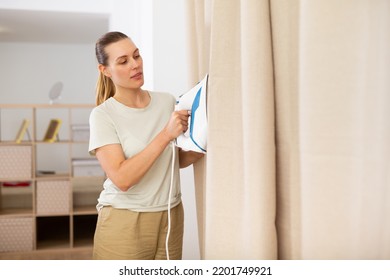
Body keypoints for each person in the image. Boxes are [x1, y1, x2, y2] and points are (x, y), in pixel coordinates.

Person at [89, 31, 204, 260]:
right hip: (124, 221)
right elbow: (122, 179)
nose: (135, 65)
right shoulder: (103, 115)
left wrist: (203, 140)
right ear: (105, 70)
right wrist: (165, 134)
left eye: (137, 56)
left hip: (171, 215)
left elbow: (174, 160)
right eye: (123, 61)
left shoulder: (167, 101)